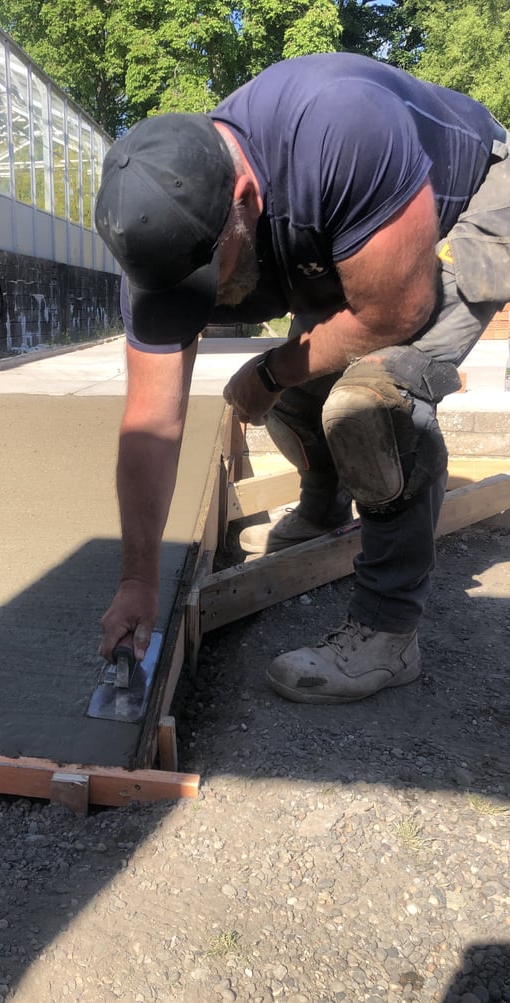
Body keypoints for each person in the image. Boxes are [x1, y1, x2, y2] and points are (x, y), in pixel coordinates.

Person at [94, 52, 510, 704]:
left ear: (246, 200)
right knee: (286, 389)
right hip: (352, 232)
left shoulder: (342, 132)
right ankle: (323, 509)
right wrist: (137, 580)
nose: (198, 306)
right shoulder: (164, 235)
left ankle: (389, 630)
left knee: (371, 402)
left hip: (475, 202)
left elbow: (394, 310)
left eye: (208, 277)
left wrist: (272, 368)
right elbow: (150, 424)